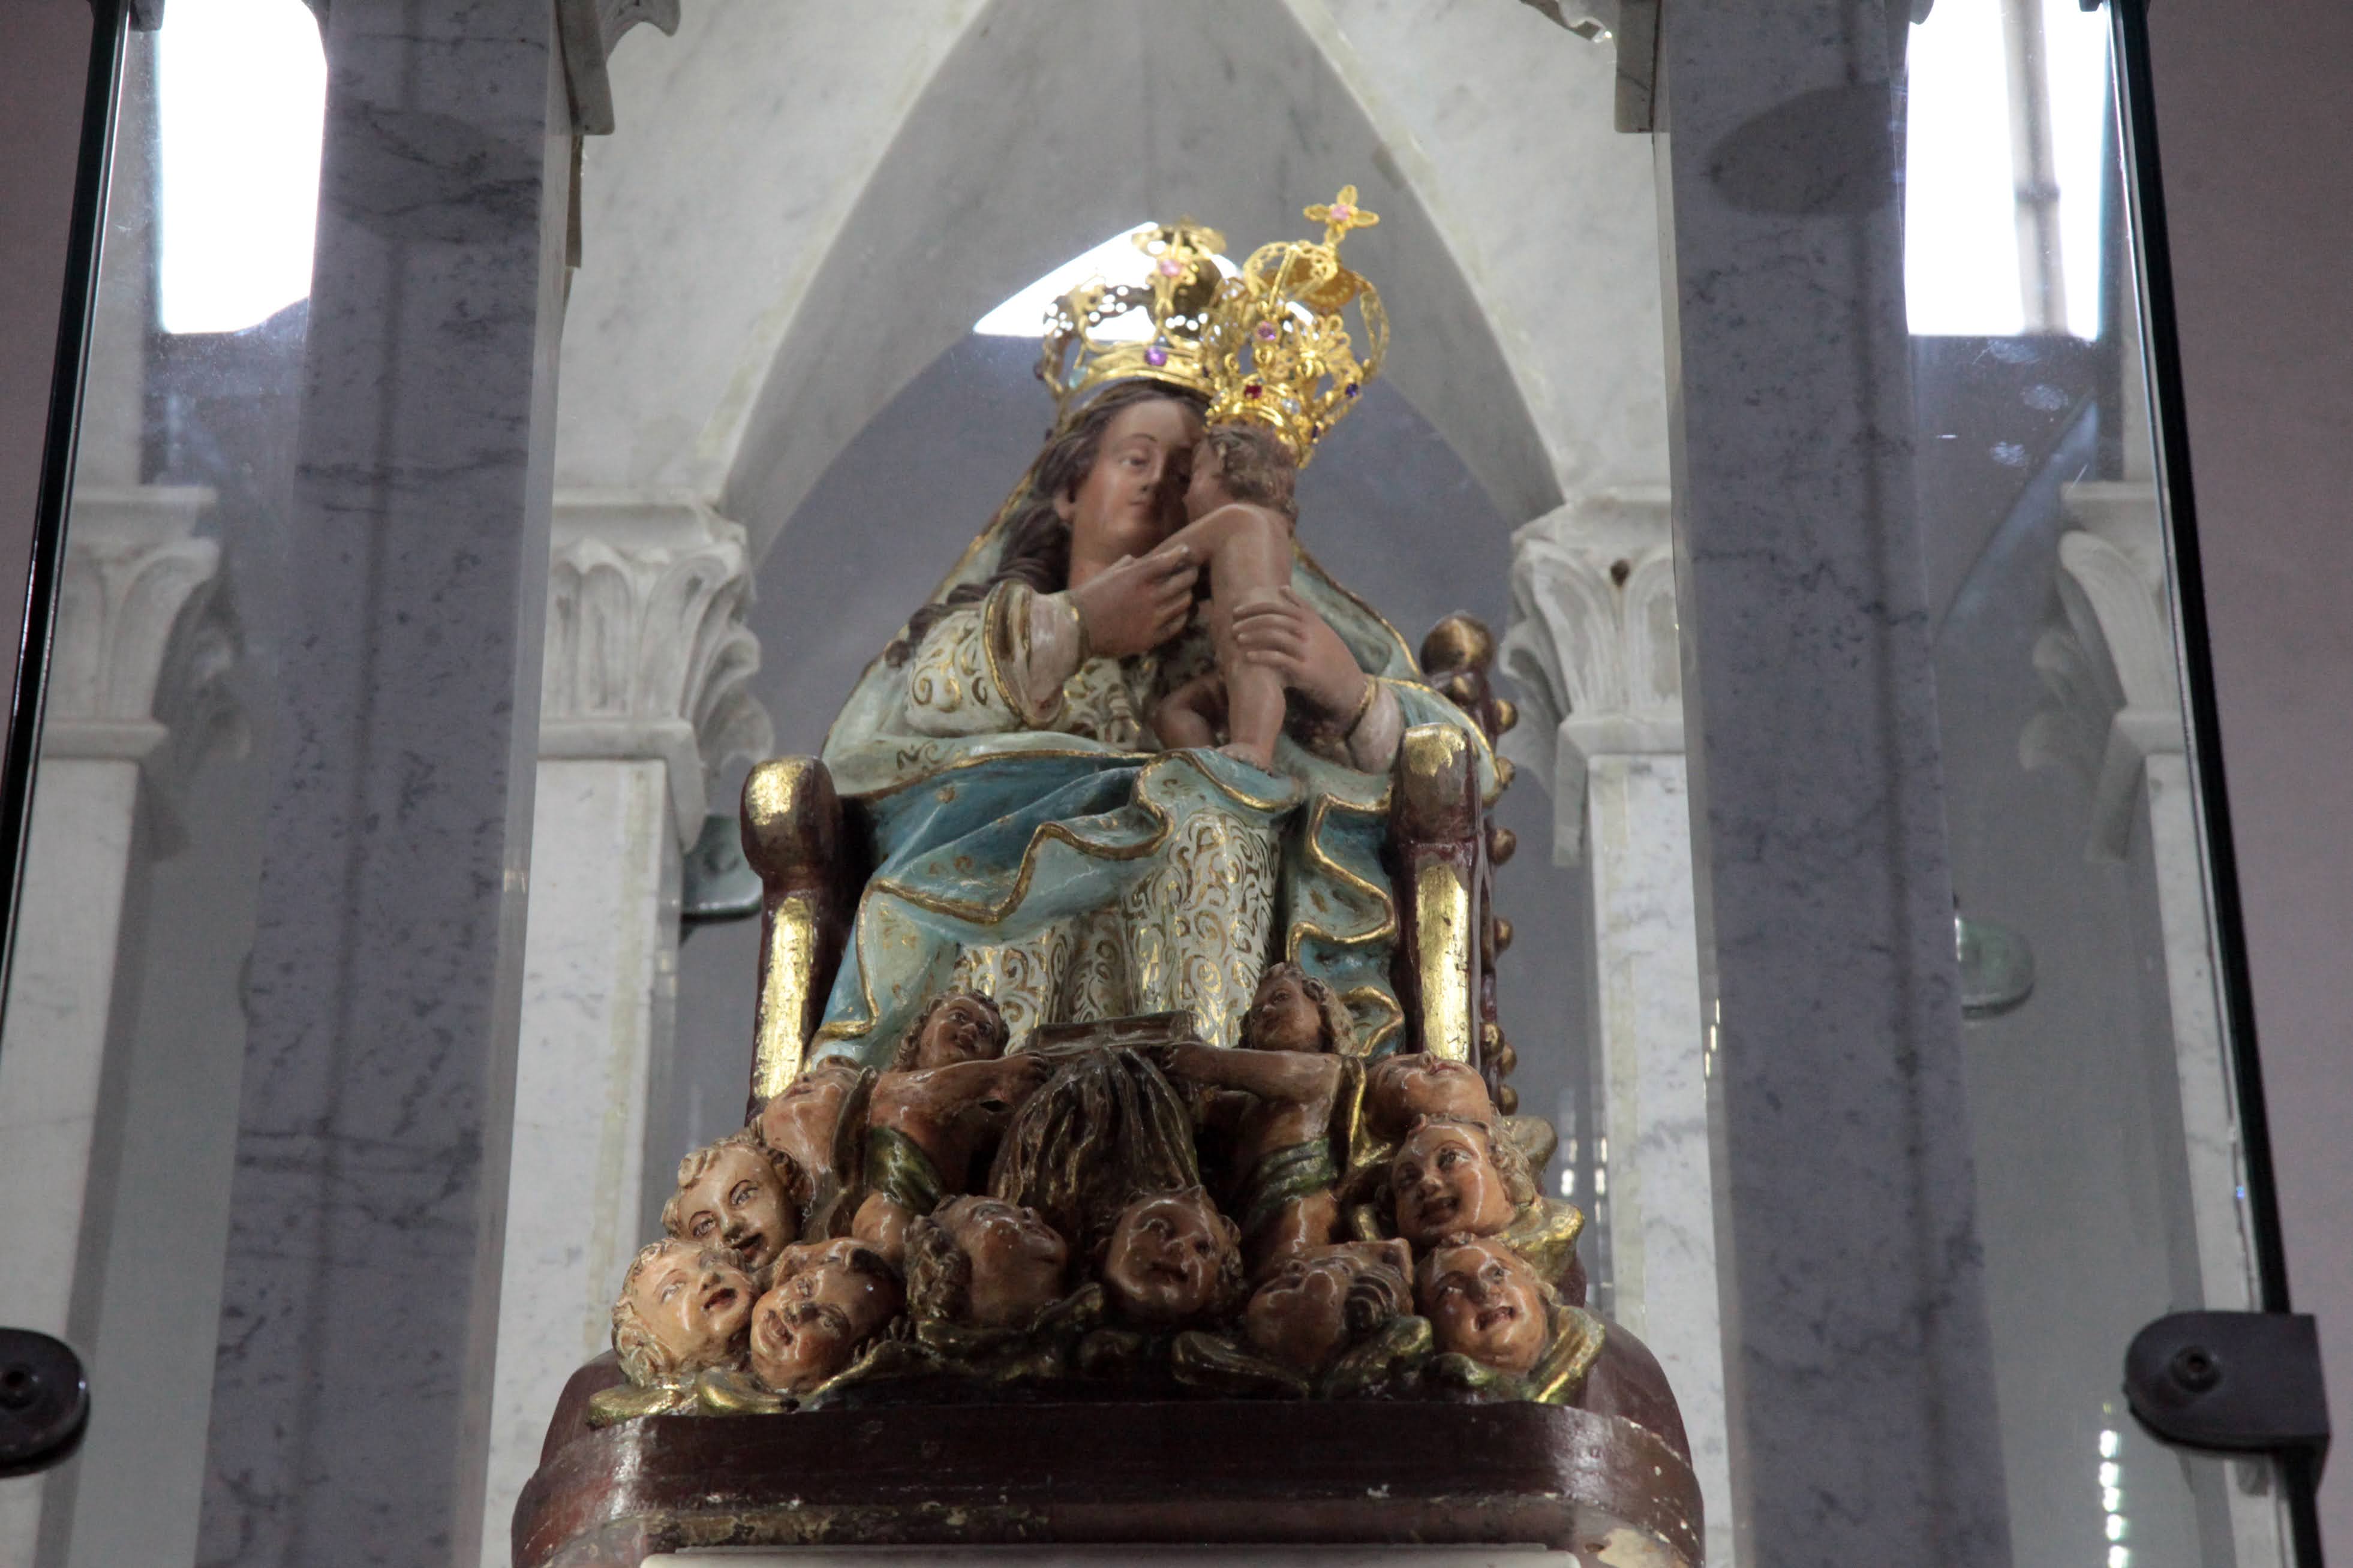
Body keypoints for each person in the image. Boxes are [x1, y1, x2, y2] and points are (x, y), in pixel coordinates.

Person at [814, 375, 1501, 1058]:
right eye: (1134, 460)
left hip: (1204, 923)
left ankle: (1212, 1095)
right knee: (1032, 854)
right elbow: (925, 697)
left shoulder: (1244, 639)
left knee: (1214, 813)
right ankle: (978, 1104)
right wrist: (1080, 626)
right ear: (1067, 490)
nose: (1157, 486)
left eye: (1184, 472)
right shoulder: (1006, 629)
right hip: (1002, 910)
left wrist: (1350, 693)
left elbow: (1453, 763)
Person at [1147, 423, 1306, 768]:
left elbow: (1170, 558)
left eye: (1194, 477)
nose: (1186, 496)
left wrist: (1133, 570)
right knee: (1174, 711)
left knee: (1254, 678)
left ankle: (1253, 749)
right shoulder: (1276, 528)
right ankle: (1207, 767)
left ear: (1223, 465)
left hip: (1253, 633)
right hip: (1241, 642)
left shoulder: (1237, 519)